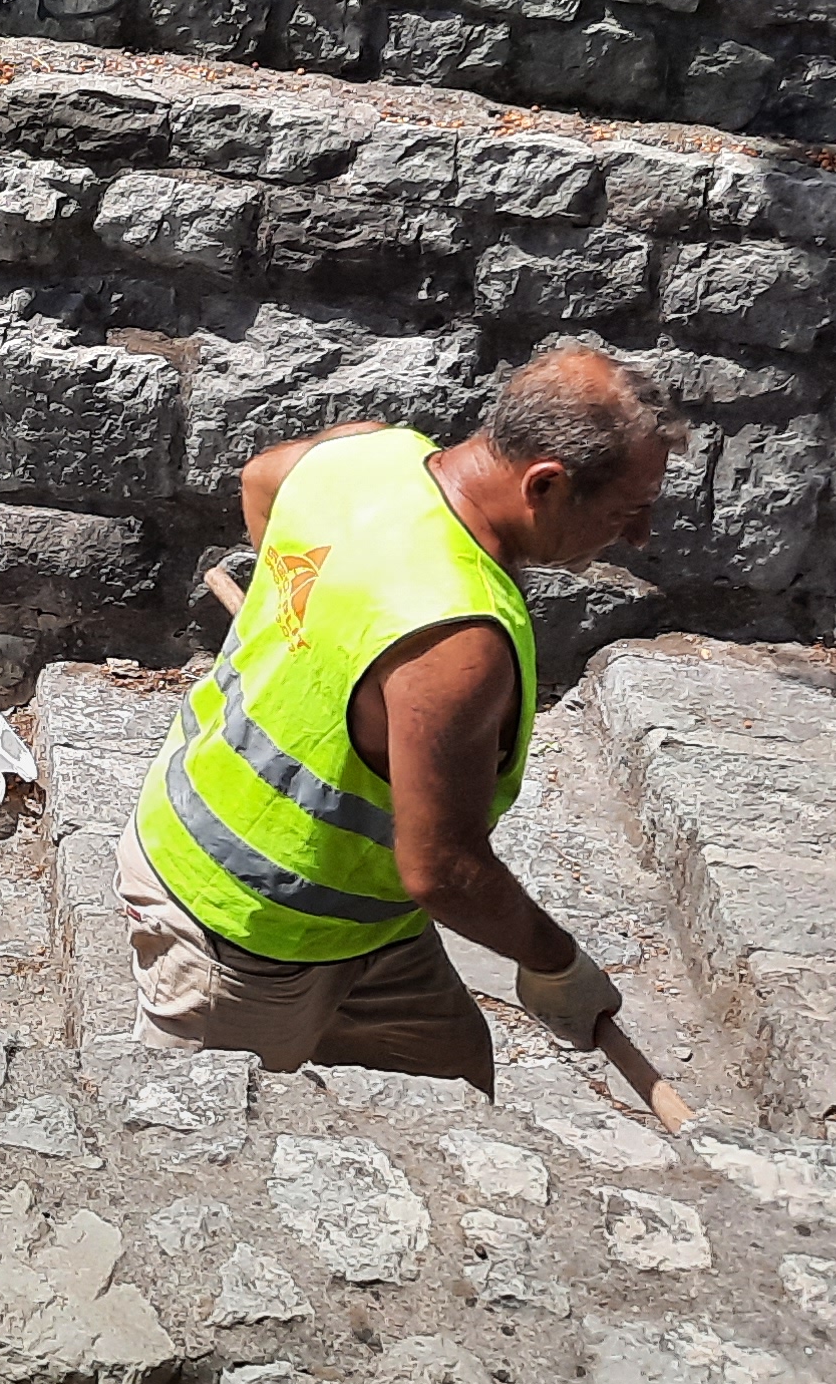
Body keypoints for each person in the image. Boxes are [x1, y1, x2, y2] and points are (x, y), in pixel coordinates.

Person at [120, 342, 681, 1089]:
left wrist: (298, 622)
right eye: (627, 511)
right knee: (200, 1127)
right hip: (245, 924)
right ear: (545, 484)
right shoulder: (455, 639)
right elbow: (442, 869)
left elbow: (262, 478)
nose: (638, 536)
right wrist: (555, 962)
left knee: (447, 1080)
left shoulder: (363, 455)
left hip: (356, 916)